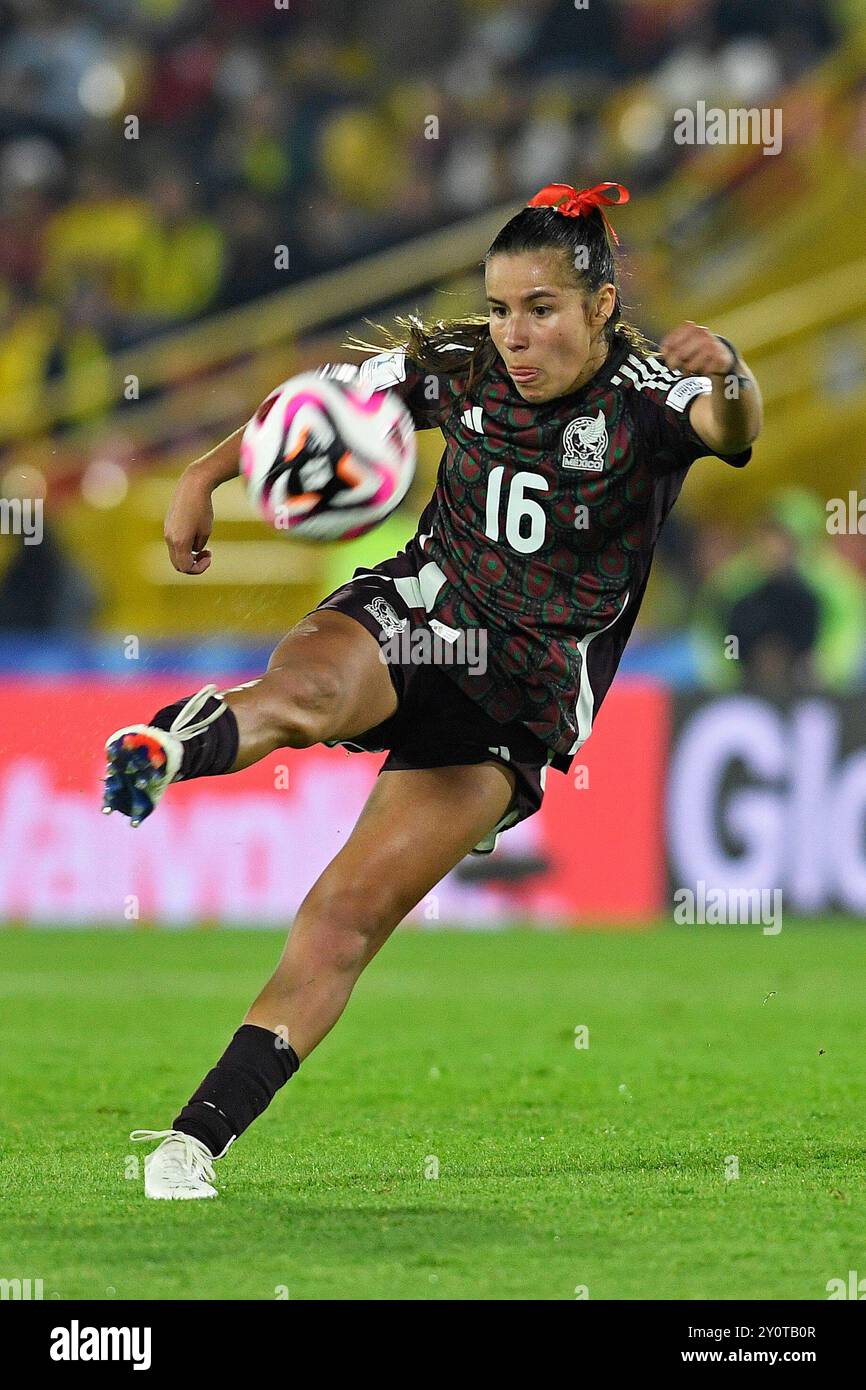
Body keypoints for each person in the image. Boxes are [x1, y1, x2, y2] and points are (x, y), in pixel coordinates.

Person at [102, 181, 763, 1199]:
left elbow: (730, 425)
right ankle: (159, 754)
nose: (513, 334)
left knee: (343, 919)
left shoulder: (648, 395)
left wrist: (729, 365)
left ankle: (202, 1133)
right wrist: (203, 475)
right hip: (417, 607)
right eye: (499, 309)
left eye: (538, 309)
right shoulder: (456, 364)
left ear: (596, 305)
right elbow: (316, 407)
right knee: (304, 693)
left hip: (521, 693)